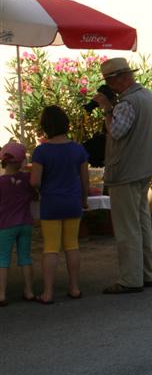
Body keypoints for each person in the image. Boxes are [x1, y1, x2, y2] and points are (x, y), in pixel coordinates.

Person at [92, 57, 152, 295]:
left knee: (127, 227)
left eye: (109, 81)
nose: (109, 87)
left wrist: (106, 109)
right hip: (145, 168)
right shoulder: (146, 96)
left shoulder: (126, 104)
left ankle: (130, 279)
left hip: (126, 171)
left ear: (118, 79)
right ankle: (146, 274)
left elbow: (116, 132)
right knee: (142, 222)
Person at [29, 107, 89, 303]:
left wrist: (39, 190)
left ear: (45, 127)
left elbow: (35, 181)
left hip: (51, 203)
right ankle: (74, 288)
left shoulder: (41, 151)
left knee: (51, 247)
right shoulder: (78, 149)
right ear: (66, 123)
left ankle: (47, 293)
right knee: (72, 245)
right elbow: (84, 180)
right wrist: (84, 199)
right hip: (72, 202)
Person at [0, 141, 36, 305]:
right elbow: (35, 193)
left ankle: (1, 295)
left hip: (6, 225)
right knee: (25, 257)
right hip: (26, 224)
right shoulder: (28, 179)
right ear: (22, 161)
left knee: (3, 259)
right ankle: (29, 291)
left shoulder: (1, 182)